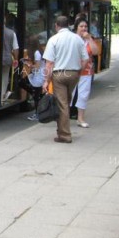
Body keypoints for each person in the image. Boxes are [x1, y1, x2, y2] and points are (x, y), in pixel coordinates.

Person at [42, 15, 89, 144]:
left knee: (62, 104)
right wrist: (79, 71)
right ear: (68, 25)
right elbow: (85, 59)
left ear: (56, 26)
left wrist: (46, 80)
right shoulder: (77, 39)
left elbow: (49, 63)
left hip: (59, 75)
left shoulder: (53, 39)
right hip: (74, 74)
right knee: (66, 102)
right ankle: (62, 131)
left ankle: (65, 135)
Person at [71, 18, 99, 128]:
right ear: (76, 28)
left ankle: (80, 118)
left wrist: (89, 39)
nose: (84, 28)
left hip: (86, 71)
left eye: (85, 26)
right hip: (72, 70)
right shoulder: (72, 38)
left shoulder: (88, 39)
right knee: (69, 94)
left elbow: (96, 52)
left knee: (83, 95)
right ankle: (63, 117)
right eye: (81, 26)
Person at [19, 36, 46, 121]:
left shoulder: (37, 53)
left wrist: (28, 64)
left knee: (35, 95)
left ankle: (37, 114)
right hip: (37, 75)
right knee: (24, 83)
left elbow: (37, 67)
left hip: (38, 76)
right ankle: (40, 97)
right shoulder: (39, 51)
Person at [1, 13, 19, 102]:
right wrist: (16, 59)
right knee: (4, 78)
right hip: (7, 59)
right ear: (5, 21)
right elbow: (15, 48)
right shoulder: (11, 33)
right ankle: (1, 97)